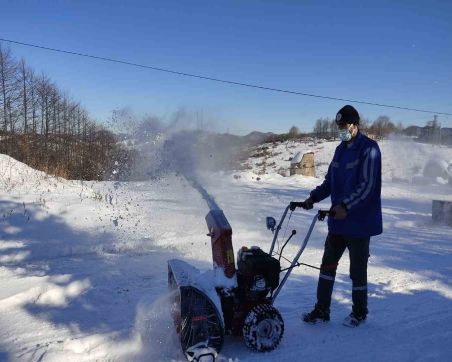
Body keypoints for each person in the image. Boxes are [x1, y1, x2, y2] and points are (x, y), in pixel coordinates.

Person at [292, 104, 382, 327]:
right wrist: (312, 198)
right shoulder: (340, 150)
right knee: (327, 267)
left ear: (354, 125)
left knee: (357, 271)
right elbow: (330, 182)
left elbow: (368, 186)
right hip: (337, 222)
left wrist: (346, 206)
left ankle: (359, 312)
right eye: (338, 126)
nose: (340, 129)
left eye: (343, 125)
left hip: (359, 224)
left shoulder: (370, 149)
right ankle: (322, 309)